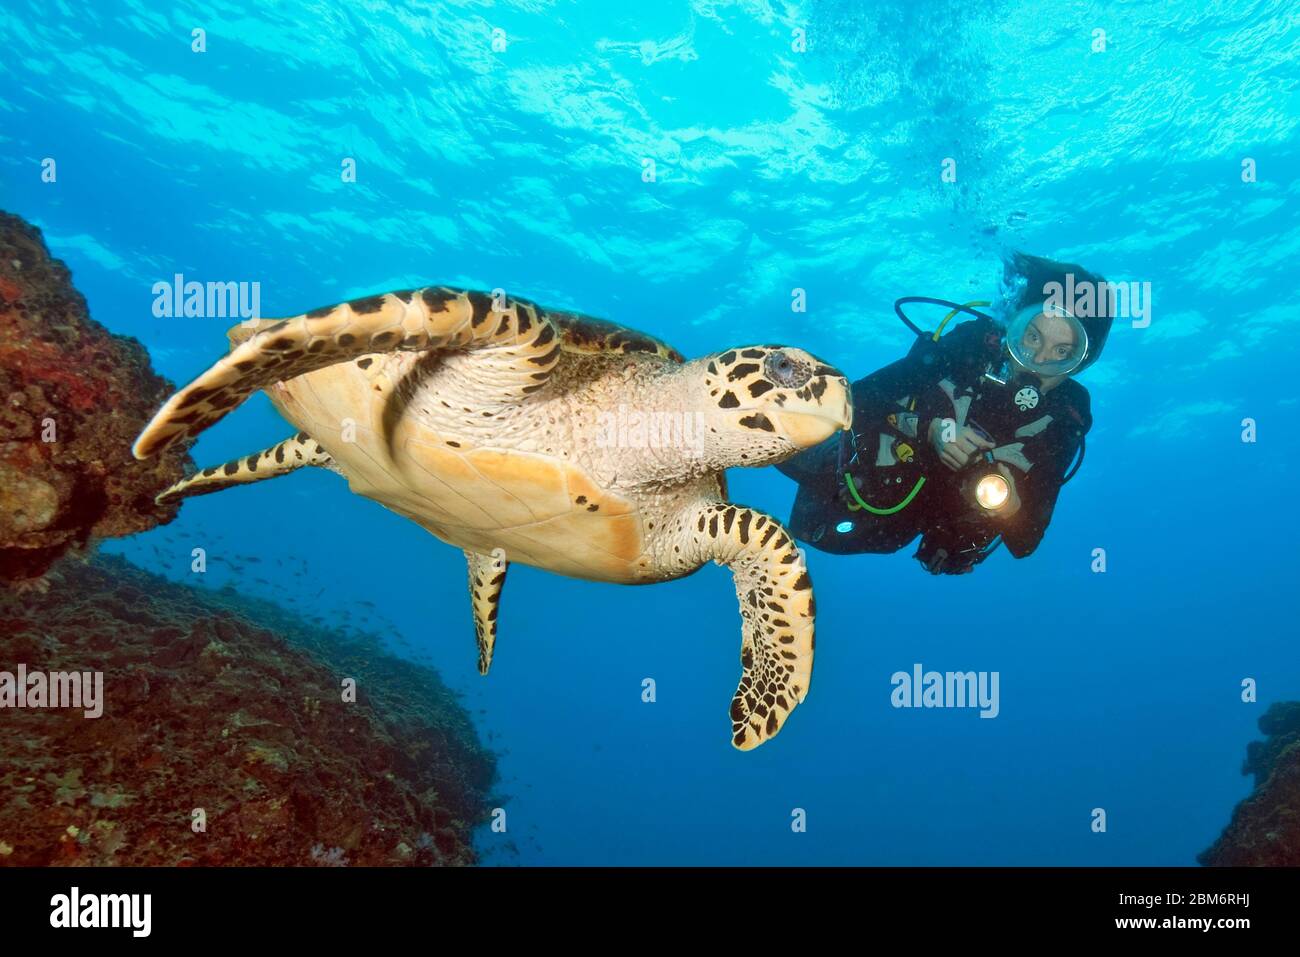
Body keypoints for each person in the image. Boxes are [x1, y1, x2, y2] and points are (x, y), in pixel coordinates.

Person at [777, 252, 1112, 575]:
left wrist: (1008, 505)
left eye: (1062, 352)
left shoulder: (1066, 417)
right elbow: (857, 398)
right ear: (1015, 322)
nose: (1036, 361)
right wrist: (928, 430)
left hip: (891, 530)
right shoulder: (972, 346)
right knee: (777, 446)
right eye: (1032, 336)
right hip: (843, 478)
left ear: (1082, 361)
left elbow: (1025, 543)